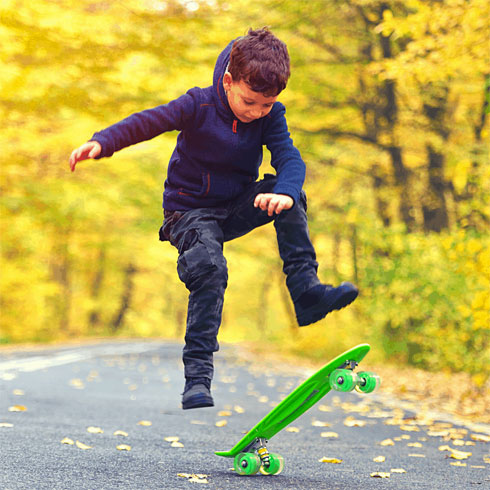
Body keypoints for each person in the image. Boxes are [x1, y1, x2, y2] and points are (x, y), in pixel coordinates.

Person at [69, 27, 358, 410]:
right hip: (186, 212)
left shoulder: (270, 116)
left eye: (266, 105)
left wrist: (284, 192)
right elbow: (149, 121)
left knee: (291, 194)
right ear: (228, 81)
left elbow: (289, 158)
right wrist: (103, 141)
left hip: (234, 206)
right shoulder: (198, 105)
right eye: (250, 102)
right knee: (210, 268)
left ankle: (305, 292)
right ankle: (197, 378)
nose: (257, 112)